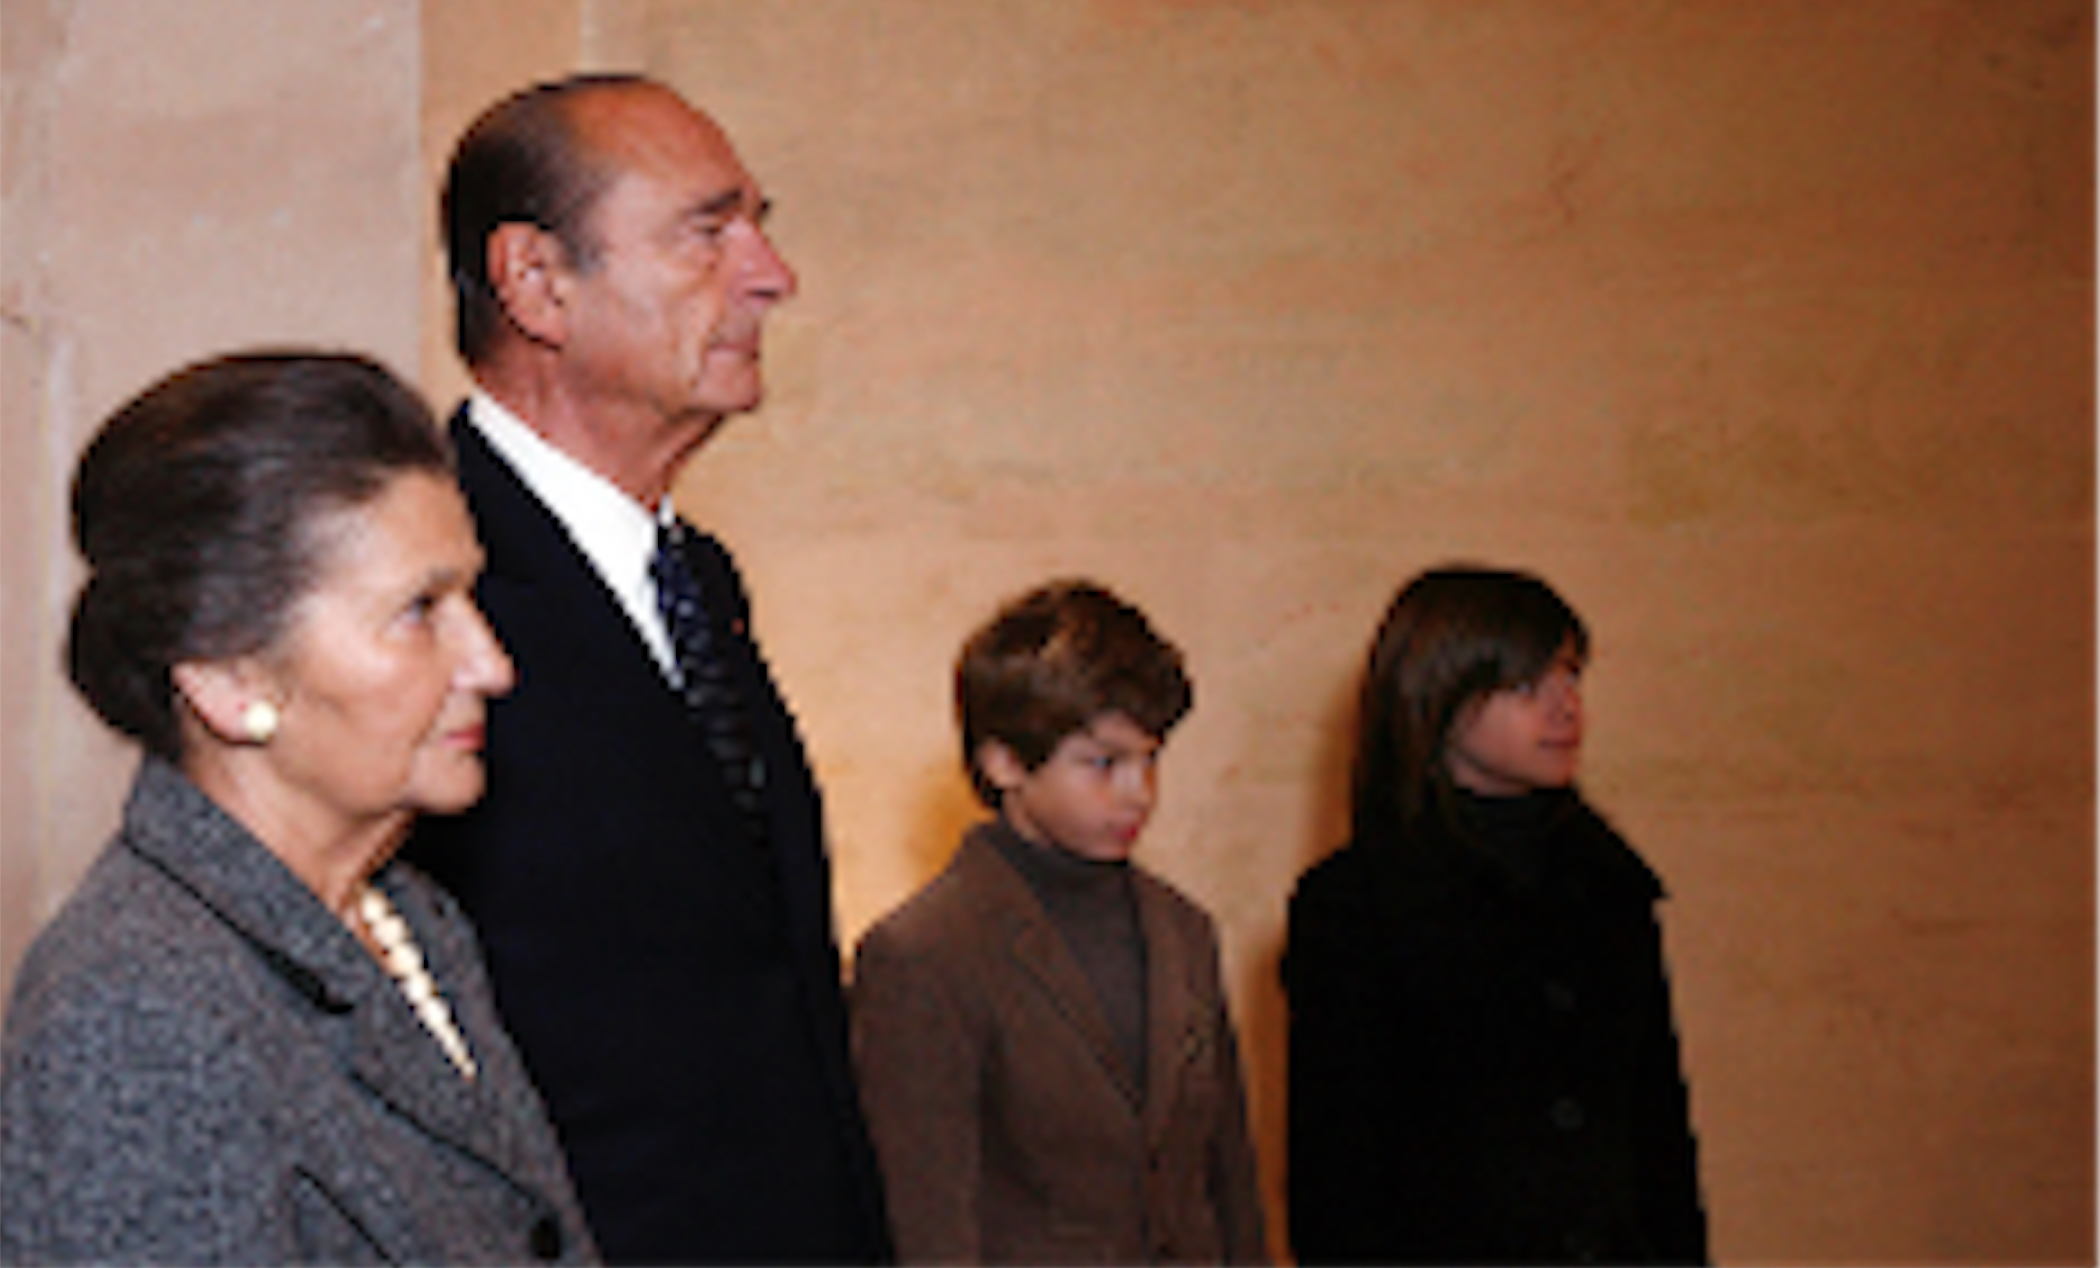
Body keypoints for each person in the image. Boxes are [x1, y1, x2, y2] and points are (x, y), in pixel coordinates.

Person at [402, 73, 889, 1264]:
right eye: (708, 230)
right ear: (537, 281)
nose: (772, 273)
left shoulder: (702, 581)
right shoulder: (420, 588)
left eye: (759, 225)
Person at [0, 351, 596, 1265]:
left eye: (470, 596)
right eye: (419, 610)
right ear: (231, 679)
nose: (490, 663)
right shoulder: (135, 1018)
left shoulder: (412, 920)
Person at [1281, 565, 1708, 1265]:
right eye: (1524, 683)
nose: (1563, 705)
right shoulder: (1357, 906)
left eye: (1570, 674)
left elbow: (1661, 1140)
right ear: (1437, 696)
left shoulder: (1611, 887)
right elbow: (1336, 1183)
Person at [851, 579, 1269, 1265]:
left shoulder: (1183, 929)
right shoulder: (924, 953)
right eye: (1104, 762)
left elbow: (1231, 1187)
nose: (1141, 792)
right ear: (1003, 762)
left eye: (1151, 757)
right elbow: (926, 1226)